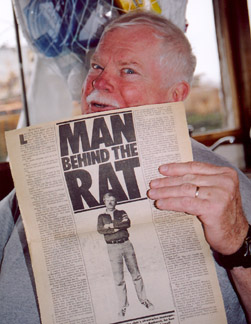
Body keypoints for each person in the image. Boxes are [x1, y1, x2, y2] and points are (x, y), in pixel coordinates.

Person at [0, 10, 250, 324]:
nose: (99, 81)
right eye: (96, 66)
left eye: (128, 71)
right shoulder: (36, 176)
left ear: (175, 96)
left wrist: (238, 244)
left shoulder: (226, 188)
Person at [97, 191, 153, 317]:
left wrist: (110, 226)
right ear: (104, 201)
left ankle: (144, 300)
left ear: (115, 201)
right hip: (112, 248)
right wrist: (117, 227)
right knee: (118, 279)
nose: (110, 202)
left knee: (136, 274)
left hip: (126, 245)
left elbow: (127, 223)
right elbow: (100, 230)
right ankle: (123, 306)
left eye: (112, 199)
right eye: (107, 200)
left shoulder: (121, 212)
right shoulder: (101, 217)